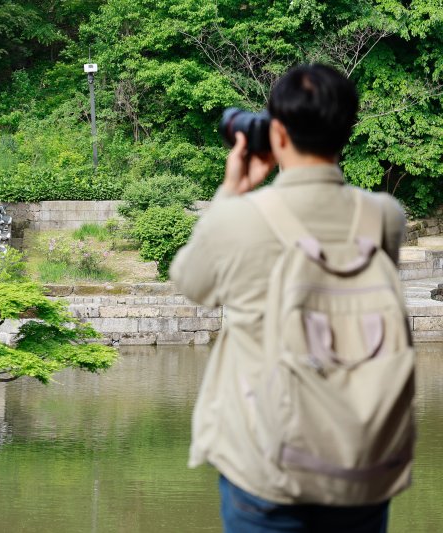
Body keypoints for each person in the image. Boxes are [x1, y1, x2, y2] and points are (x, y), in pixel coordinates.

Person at [169, 64, 408, 532]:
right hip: (361, 462)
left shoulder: (239, 220)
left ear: (276, 132)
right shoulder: (385, 217)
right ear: (346, 130)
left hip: (266, 466)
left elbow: (190, 281)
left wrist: (231, 191)